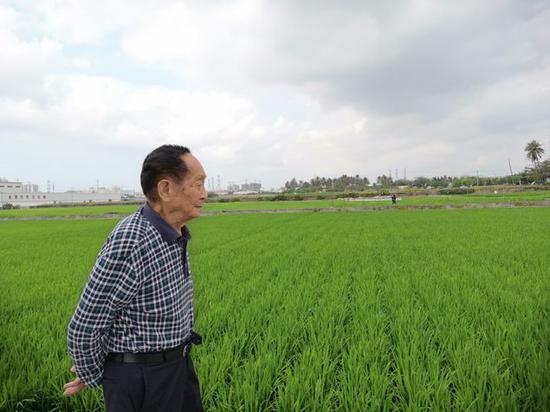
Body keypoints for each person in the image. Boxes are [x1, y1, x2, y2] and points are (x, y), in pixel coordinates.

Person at [63, 144, 207, 412]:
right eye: (197, 184)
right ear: (165, 189)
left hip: (176, 366)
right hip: (143, 379)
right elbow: (85, 324)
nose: (204, 194)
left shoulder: (174, 232)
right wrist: (94, 373)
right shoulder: (132, 240)